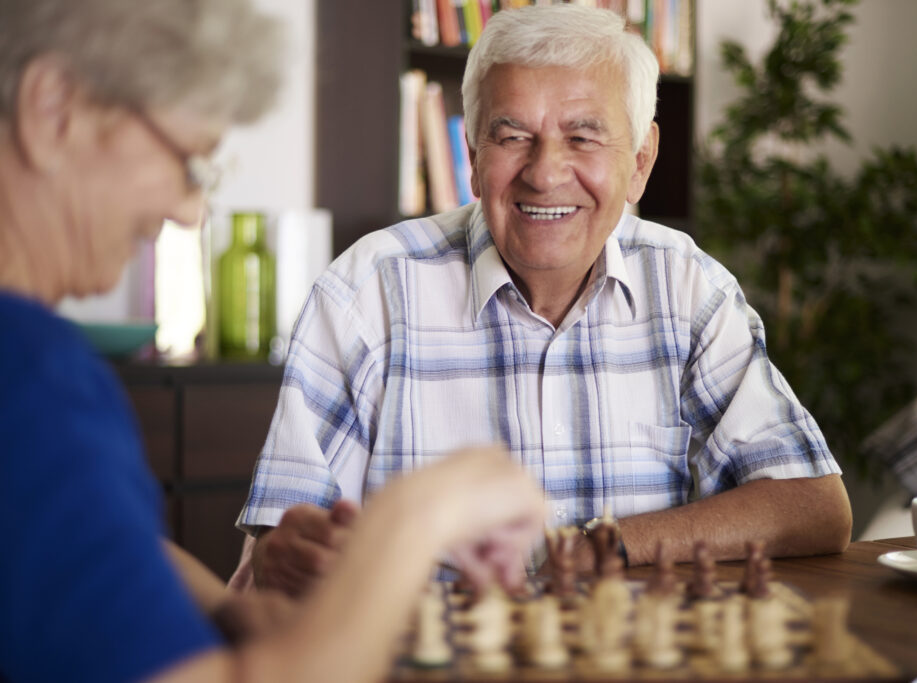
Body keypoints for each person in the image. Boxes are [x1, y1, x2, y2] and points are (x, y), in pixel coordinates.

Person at [0, 1, 546, 682]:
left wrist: (218, 607)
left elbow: (64, 537)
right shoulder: (31, 376)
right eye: (188, 162)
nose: (189, 209)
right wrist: (418, 515)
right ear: (53, 110)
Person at [235, 3, 852, 595]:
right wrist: (293, 555)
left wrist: (599, 547)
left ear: (640, 162)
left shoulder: (691, 290)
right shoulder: (364, 294)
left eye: (583, 137)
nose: (545, 173)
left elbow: (812, 506)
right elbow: (277, 552)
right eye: (513, 136)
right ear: (473, 157)